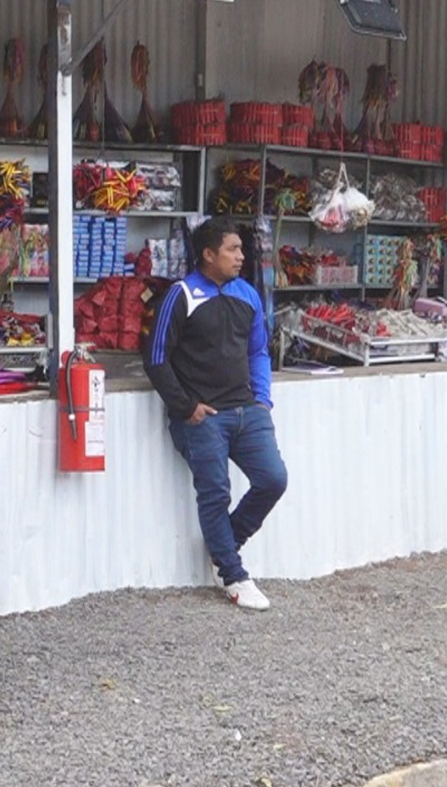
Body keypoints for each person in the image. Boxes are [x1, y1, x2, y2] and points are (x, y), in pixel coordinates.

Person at [143, 217, 288, 611]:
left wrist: (263, 400)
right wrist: (186, 407)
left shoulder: (248, 295)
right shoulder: (181, 295)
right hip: (203, 417)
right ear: (208, 255)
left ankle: (223, 542)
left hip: (248, 411)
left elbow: (258, 351)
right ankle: (232, 573)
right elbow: (156, 359)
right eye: (232, 250)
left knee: (274, 479)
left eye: (242, 249)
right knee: (215, 492)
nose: (241, 257)